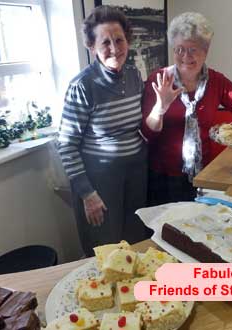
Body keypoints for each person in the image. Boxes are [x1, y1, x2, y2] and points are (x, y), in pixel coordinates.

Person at [58, 6, 147, 257]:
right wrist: (87, 194)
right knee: (105, 251)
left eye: (119, 40)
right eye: (105, 42)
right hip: (100, 183)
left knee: (135, 246)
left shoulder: (133, 75)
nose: (114, 48)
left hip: (136, 176)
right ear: (92, 47)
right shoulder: (82, 85)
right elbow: (66, 144)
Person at [142, 12, 232, 206]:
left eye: (193, 50)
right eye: (179, 49)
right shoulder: (159, 80)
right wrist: (161, 107)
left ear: (205, 51)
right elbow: (147, 132)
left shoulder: (216, 81)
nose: (185, 57)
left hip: (204, 175)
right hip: (163, 177)